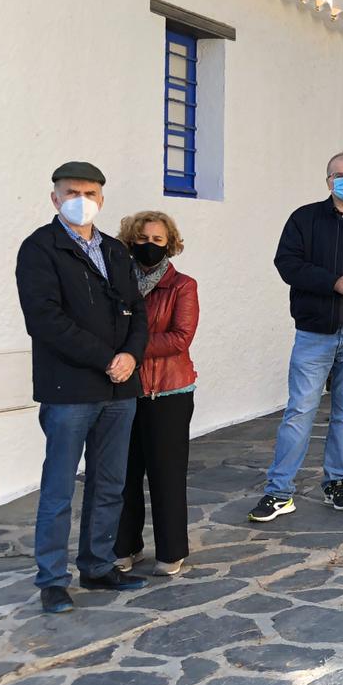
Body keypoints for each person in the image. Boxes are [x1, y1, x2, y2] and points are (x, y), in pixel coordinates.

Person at [15, 161, 150, 614]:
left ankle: (96, 565)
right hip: (70, 387)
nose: (81, 200)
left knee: (109, 482)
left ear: (101, 199)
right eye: (72, 192)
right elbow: (46, 320)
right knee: (58, 489)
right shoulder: (40, 249)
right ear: (55, 198)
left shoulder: (114, 250)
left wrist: (131, 356)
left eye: (90, 193)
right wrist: (106, 359)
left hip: (119, 389)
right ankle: (52, 579)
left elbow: (137, 311)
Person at [248, 152, 343, 522]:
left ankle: (336, 482)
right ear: (327, 180)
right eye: (339, 175)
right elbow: (288, 264)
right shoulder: (304, 218)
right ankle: (279, 490)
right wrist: (333, 283)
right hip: (316, 331)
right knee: (300, 410)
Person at [113, 211, 198, 577]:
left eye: (158, 240)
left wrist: (130, 347)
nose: (149, 246)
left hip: (168, 392)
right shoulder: (116, 283)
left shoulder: (183, 286)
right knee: (123, 474)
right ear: (131, 241)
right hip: (122, 390)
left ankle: (171, 551)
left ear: (171, 244)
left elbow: (180, 338)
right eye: (143, 239)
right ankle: (124, 546)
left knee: (166, 474)